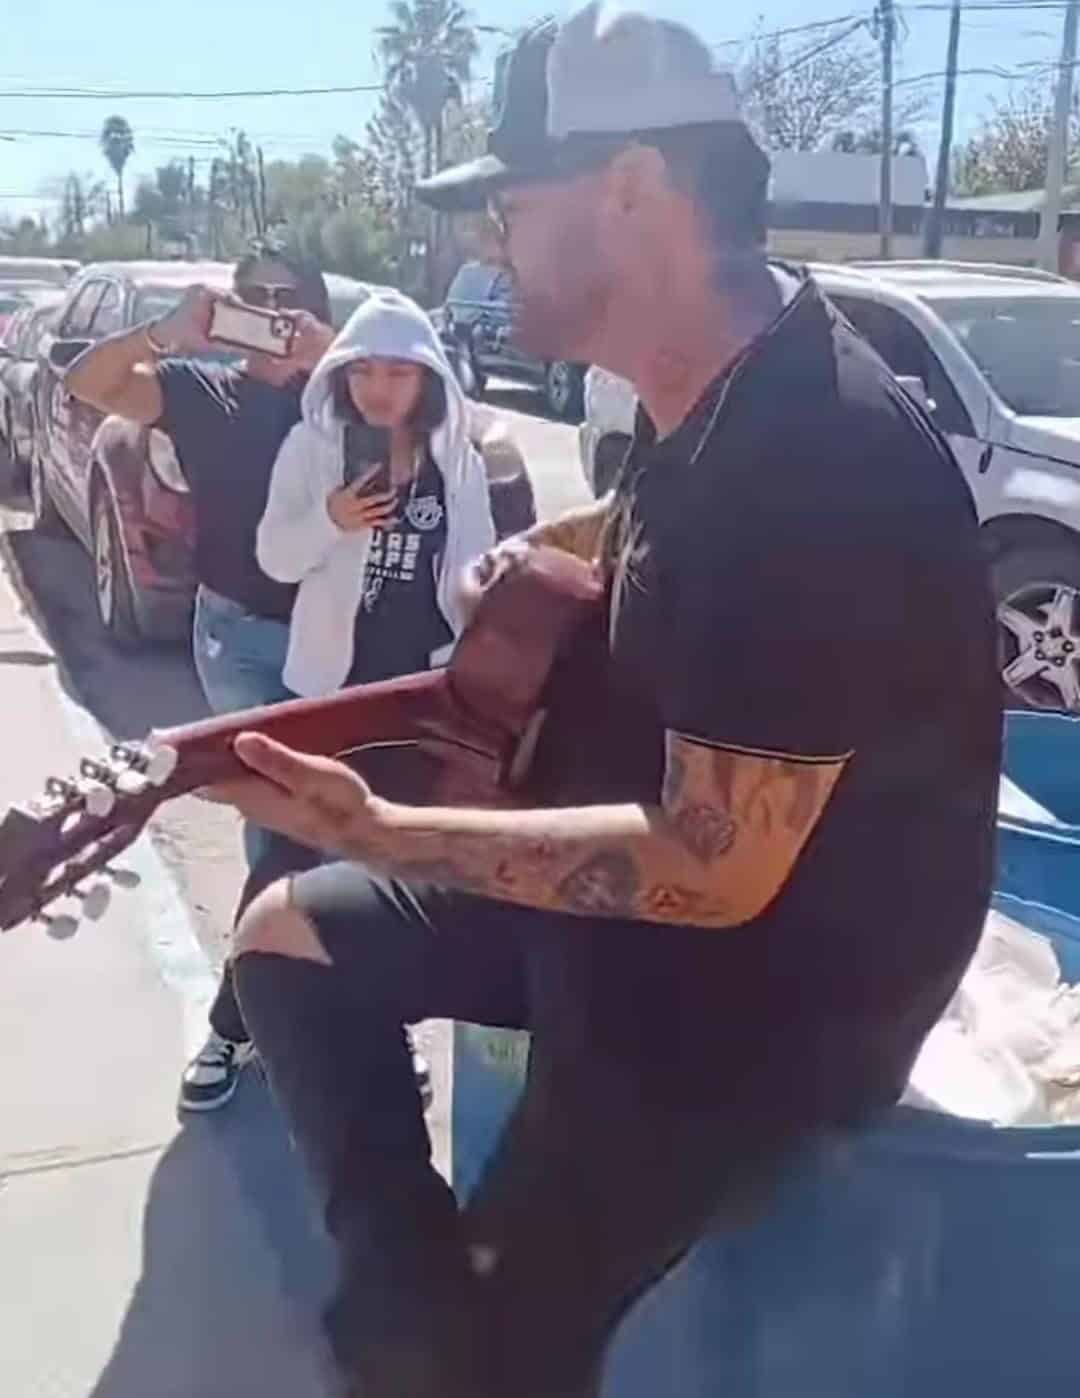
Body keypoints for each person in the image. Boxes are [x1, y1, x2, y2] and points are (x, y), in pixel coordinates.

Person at [215, 7, 1002, 1397]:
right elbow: (671, 537)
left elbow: (712, 867)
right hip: (658, 899)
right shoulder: (701, 394)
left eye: (512, 208)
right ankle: (418, 1298)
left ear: (633, 190)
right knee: (284, 936)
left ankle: (470, 1343)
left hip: (763, 999)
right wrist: (553, 552)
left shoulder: (822, 454)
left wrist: (380, 825)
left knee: (498, 1355)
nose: (488, 248)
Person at [63, 250, 353, 1111]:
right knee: (287, 832)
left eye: (287, 301)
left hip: (341, 646)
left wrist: (334, 355)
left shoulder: (347, 396)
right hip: (243, 645)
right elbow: (87, 383)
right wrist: (166, 330)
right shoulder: (203, 388)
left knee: (322, 837)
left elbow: (438, 409)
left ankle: (307, 1017)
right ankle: (244, 1027)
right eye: (251, 300)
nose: (267, 314)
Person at [256, 289, 496, 709]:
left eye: (399, 372)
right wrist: (330, 520)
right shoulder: (309, 448)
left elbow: (476, 577)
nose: (376, 388)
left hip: (424, 682)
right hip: (329, 682)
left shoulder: (458, 464)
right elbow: (275, 560)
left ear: (428, 378)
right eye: (360, 371)